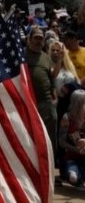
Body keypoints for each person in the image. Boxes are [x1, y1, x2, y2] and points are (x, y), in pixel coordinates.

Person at [25, 26, 58, 158]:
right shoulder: (22, 54)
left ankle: (51, 163)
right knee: (32, 136)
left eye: (41, 39)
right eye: (36, 38)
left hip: (47, 102)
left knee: (50, 136)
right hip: (29, 102)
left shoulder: (46, 57)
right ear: (29, 39)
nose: (39, 41)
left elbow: (51, 78)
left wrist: (54, 96)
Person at [58, 89, 85, 186]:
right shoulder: (67, 118)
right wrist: (77, 150)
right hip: (72, 158)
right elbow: (61, 141)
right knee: (73, 177)